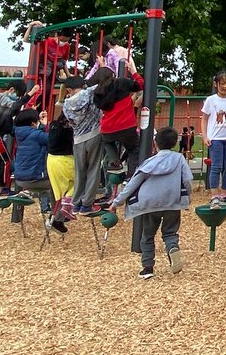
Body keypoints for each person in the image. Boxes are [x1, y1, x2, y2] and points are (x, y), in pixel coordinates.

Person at [110, 126, 192, 280]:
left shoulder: (149, 162)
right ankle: (173, 248)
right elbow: (187, 180)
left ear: (155, 143)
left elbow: (133, 183)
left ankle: (147, 268)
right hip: (172, 202)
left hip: (149, 204)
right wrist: (187, 197)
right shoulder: (179, 159)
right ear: (175, 143)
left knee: (147, 235)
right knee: (170, 232)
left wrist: (116, 203)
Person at [92, 56, 143, 179]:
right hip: (126, 126)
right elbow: (140, 85)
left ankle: (115, 161)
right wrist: (134, 72)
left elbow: (104, 79)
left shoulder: (97, 93)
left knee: (106, 142)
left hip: (108, 128)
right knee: (134, 149)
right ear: (113, 76)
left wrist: (102, 65)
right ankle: (131, 176)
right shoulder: (122, 83)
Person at [62, 77, 104, 213]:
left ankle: (76, 202)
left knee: (79, 171)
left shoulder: (66, 104)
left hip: (78, 139)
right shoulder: (89, 93)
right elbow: (103, 81)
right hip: (94, 135)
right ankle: (87, 204)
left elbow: (71, 122)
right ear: (83, 85)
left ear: (68, 89)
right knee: (93, 169)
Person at [201, 70, 226, 206]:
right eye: (222, 83)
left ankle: (224, 192)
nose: (225, 86)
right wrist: (205, 136)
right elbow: (205, 118)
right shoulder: (211, 100)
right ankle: (214, 195)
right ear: (216, 84)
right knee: (216, 166)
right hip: (216, 138)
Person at [0, 79, 27, 200]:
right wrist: (29, 95)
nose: (17, 98)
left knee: (0, 163)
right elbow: (14, 105)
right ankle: (3, 188)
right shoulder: (2, 97)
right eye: (17, 95)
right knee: (6, 162)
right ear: (12, 90)